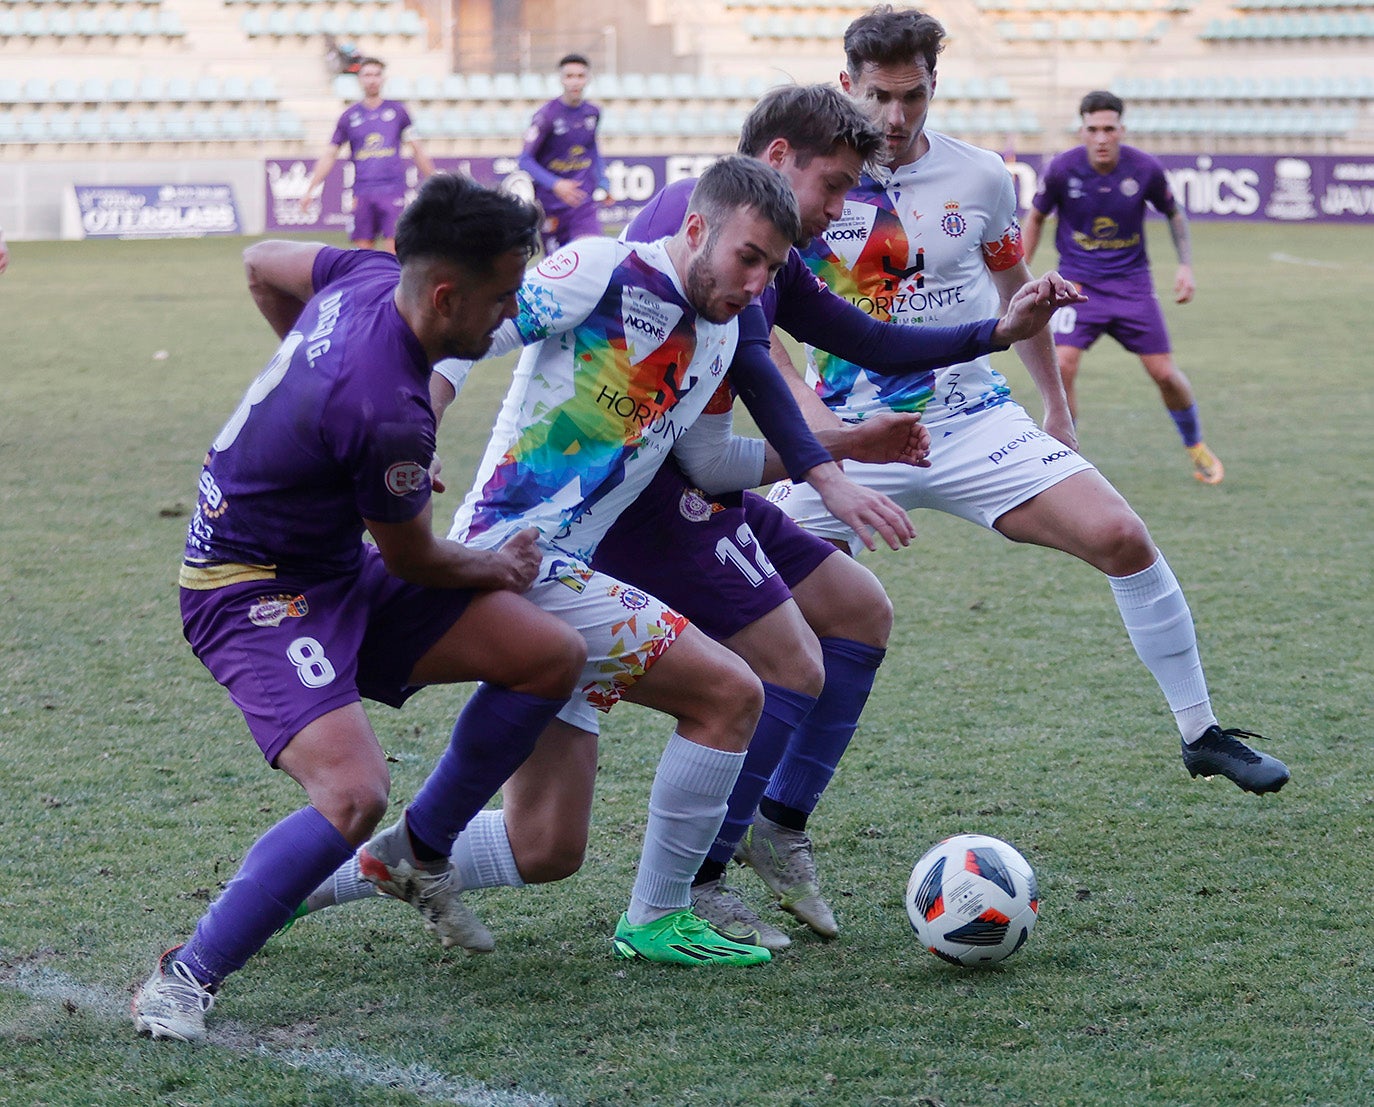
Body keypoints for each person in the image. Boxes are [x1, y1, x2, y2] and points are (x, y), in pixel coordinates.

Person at [291, 85, 1080, 951]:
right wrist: (417, 418)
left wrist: (957, 362)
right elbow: (466, 329)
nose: (839, 210)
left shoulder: (725, 318)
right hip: (521, 554)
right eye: (835, 185)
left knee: (545, 844)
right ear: (739, 199)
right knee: (738, 685)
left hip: (583, 560)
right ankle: (667, 907)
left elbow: (724, 450)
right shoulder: (619, 262)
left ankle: (297, 889)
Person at [765, 4, 1289, 847]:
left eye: (913, 96)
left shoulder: (980, 177)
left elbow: (1020, 299)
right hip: (848, 433)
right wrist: (814, 424)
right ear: (845, 87)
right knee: (762, 602)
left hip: (972, 418)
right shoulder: (808, 183)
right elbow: (760, 319)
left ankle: (1201, 733)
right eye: (878, 98)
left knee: (1121, 534)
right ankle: (753, 820)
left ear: (935, 86)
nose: (895, 119)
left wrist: (1057, 407)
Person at [130, 174, 588, 1043]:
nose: (508, 314)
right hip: (250, 588)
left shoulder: (367, 275)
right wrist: (497, 565)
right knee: (351, 794)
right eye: (500, 297)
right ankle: (182, 978)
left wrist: (316, 414)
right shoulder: (382, 408)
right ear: (447, 293)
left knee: (550, 658)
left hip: (333, 565)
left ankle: (423, 850)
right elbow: (416, 556)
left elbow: (262, 261)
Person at [1022, 90, 1224, 484]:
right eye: (1093, 129)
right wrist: (1022, 272)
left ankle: (1196, 445)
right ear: (1082, 130)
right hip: (1076, 286)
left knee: (1165, 374)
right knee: (1062, 365)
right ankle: (1066, 463)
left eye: (1109, 129)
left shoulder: (1144, 168)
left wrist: (1185, 266)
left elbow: (1173, 213)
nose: (1101, 137)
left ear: (1121, 130)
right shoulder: (1063, 169)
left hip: (1133, 287)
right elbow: (1035, 218)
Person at [298, 57, 435, 252]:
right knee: (363, 255)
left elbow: (417, 149)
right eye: (367, 75)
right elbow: (330, 154)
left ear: (383, 79)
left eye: (376, 75)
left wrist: (436, 183)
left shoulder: (398, 112)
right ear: (359, 79)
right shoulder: (349, 116)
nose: (372, 80)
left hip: (392, 190)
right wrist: (310, 188)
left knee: (395, 251)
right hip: (362, 192)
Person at [518, 53, 609, 256]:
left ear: (588, 79)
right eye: (569, 76)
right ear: (561, 79)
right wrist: (556, 184)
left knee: (592, 256)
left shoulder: (593, 113)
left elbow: (592, 147)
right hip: (551, 205)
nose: (575, 81)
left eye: (580, 76)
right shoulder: (546, 116)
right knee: (559, 268)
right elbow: (524, 160)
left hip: (582, 204)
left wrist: (602, 180)